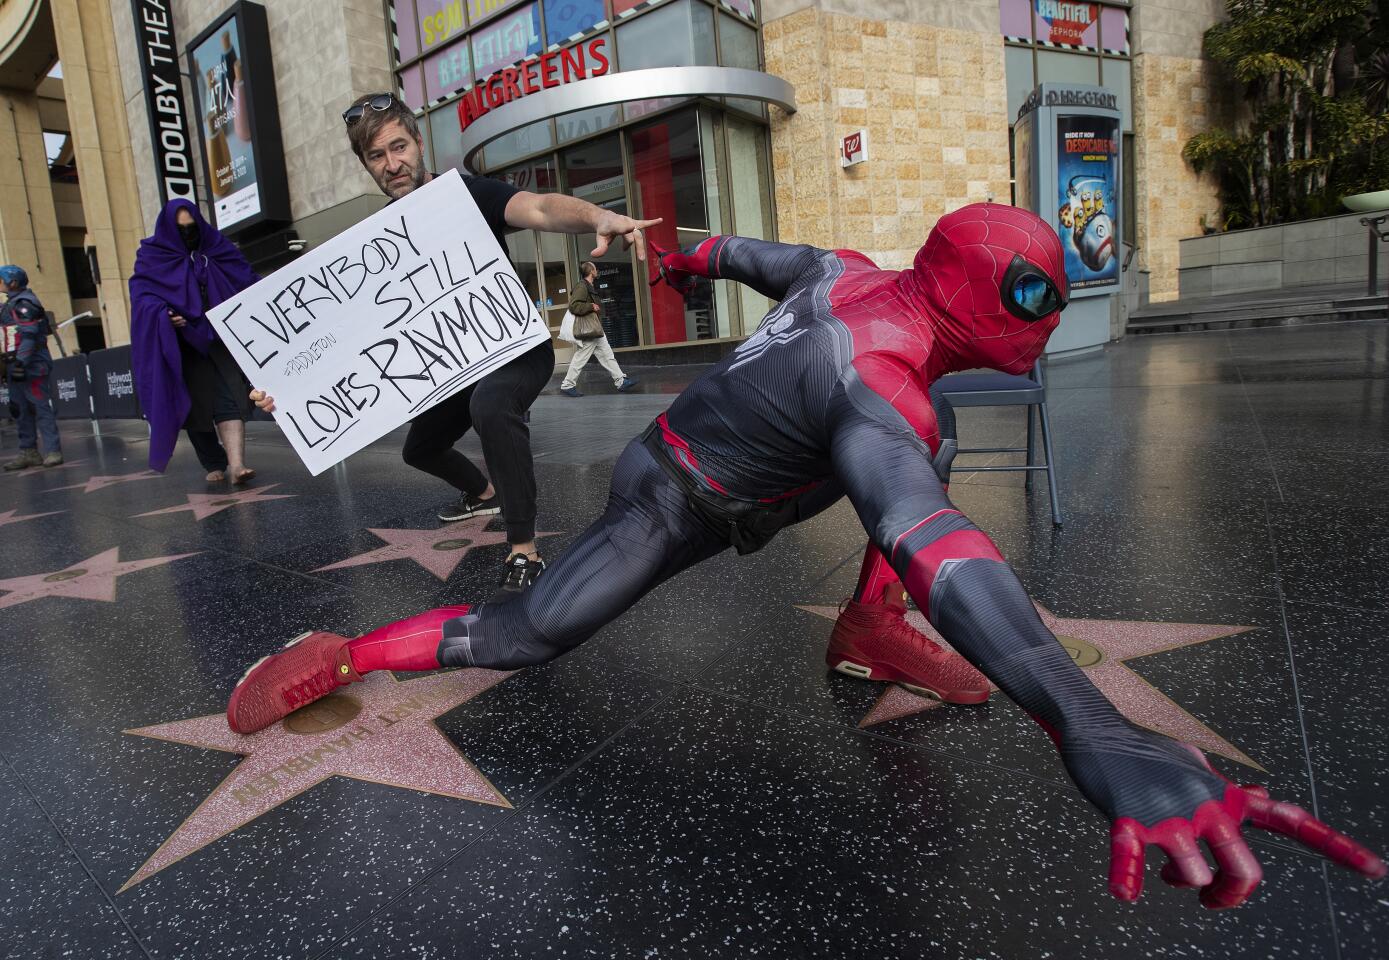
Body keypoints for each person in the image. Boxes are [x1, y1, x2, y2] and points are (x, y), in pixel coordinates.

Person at [226, 203, 1385, 908]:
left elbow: (751, 253)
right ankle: (350, 647)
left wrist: (682, 260)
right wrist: (1092, 720)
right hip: (672, 496)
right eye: (1027, 301)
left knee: (918, 444)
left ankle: (868, 629)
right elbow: (944, 550)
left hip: (767, 468)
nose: (1042, 320)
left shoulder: (852, 271)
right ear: (976, 294)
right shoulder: (879, 389)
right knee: (534, 636)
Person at [251, 93, 660, 595]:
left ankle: (523, 548)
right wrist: (286, 391)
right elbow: (338, 337)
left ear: (419, 144)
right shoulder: (374, 240)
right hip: (448, 366)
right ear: (366, 165)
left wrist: (595, 216)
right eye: (377, 156)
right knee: (419, 448)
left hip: (512, 350)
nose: (392, 163)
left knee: (491, 405)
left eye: (398, 147)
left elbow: (537, 206)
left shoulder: (465, 194)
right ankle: (483, 492)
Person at [130, 199, 258, 481]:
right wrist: (163, 315)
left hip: (219, 338)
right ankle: (213, 464)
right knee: (195, 407)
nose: (188, 234)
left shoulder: (217, 247)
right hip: (183, 345)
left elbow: (247, 280)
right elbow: (142, 297)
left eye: (192, 228)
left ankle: (236, 465)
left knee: (230, 400)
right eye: (181, 229)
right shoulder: (152, 255)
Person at [0, 265, 62, 470]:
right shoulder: (10, 304)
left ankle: (52, 450)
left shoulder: (25, 302)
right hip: (14, 363)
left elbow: (30, 335)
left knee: (40, 406)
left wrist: (21, 362)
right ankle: (28, 451)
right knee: (19, 409)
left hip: (32, 364)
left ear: (13, 282)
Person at [559, 260, 639, 398]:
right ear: (591, 271)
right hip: (589, 330)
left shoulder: (588, 285)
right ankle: (567, 385)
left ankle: (620, 381)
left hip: (595, 329)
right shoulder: (582, 286)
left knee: (607, 355)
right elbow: (574, 305)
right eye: (595, 269)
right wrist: (590, 306)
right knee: (581, 357)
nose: (597, 271)